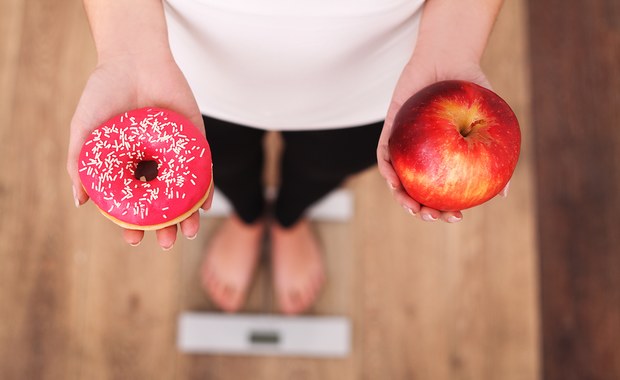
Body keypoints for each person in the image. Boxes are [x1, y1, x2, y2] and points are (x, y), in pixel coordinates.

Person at [67, 0, 507, 315]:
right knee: (224, 164)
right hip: (180, 72)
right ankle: (247, 214)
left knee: (325, 166)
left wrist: (452, 45)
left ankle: (290, 218)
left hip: (381, 80)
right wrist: (127, 47)